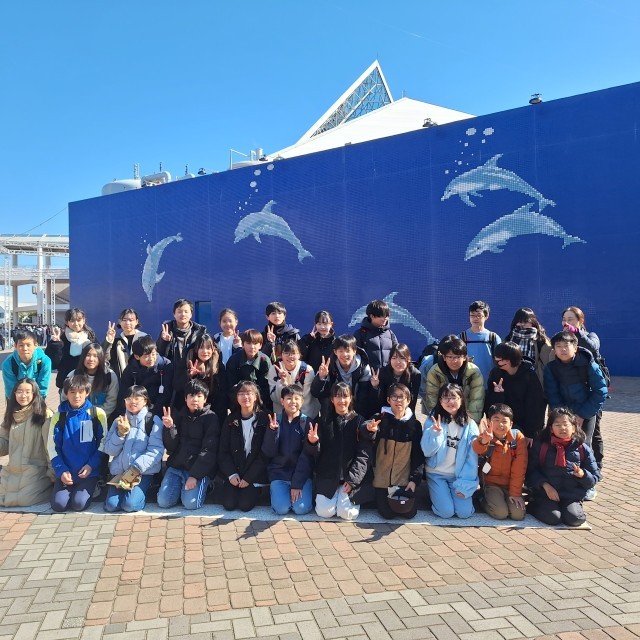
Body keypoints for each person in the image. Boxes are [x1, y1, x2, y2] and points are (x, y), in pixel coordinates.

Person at [304, 382, 374, 520]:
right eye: (338, 396)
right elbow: (315, 453)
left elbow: (364, 456)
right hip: (328, 476)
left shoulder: (359, 421)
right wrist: (313, 443)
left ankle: (342, 495)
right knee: (324, 513)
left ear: (350, 398)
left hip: (350, 478)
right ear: (332, 399)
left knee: (348, 514)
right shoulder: (324, 421)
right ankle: (335, 494)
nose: (342, 401)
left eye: (345, 396)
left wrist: (353, 480)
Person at [527, 407, 600, 526]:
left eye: (566, 424)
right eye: (557, 425)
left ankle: (568, 509)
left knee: (575, 519)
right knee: (553, 518)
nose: (562, 428)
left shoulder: (582, 448)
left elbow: (594, 477)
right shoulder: (541, 446)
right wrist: (545, 485)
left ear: (574, 427)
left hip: (571, 495)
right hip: (546, 494)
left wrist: (583, 475)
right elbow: (531, 471)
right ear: (551, 428)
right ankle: (533, 505)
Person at [47, 374, 108, 512]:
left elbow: (103, 443)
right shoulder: (59, 416)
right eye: (72, 392)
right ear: (66, 394)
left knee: (78, 504)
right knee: (58, 505)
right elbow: (52, 446)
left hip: (89, 471)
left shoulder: (97, 414)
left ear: (87, 392)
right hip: (66, 471)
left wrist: (91, 466)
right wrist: (61, 470)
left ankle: (94, 486)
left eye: (81, 392)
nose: (77, 396)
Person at [157, 378, 220, 510]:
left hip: (198, 469)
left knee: (191, 504)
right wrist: (169, 428)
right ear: (185, 398)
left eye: (199, 396)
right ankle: (182, 487)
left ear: (205, 399)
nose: (194, 399)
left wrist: (195, 476)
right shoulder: (179, 415)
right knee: (163, 502)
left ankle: (206, 484)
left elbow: (209, 451)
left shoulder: (211, 418)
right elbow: (171, 446)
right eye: (191, 395)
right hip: (177, 467)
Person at [421, 383, 479, 519]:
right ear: (440, 401)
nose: (450, 401)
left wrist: (465, 485)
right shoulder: (433, 420)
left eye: (454, 397)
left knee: (464, 513)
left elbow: (471, 459)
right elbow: (426, 451)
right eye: (445, 398)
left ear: (461, 400)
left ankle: (448, 495)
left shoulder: (470, 425)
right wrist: (435, 434)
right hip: (436, 473)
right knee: (446, 512)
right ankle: (437, 495)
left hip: (458, 476)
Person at [561, 305, 608, 472]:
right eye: (564, 319)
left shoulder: (591, 335)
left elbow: (592, 347)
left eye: (570, 319)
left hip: (590, 392)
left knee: (593, 432)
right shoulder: (562, 339)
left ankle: (597, 466)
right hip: (571, 392)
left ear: (580, 321)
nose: (566, 323)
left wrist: (577, 332)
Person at [102, 385, 163, 513]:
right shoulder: (118, 421)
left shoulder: (153, 420)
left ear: (145, 401)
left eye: (137, 398)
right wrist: (120, 434)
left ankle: (147, 489)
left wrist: (136, 468)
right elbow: (109, 450)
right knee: (111, 506)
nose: (132, 402)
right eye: (128, 399)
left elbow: (156, 451)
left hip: (142, 472)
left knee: (130, 505)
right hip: (120, 473)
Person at [367, 383, 424, 520]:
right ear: (388, 400)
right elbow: (366, 433)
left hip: (403, 479)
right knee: (387, 514)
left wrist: (414, 480)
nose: (398, 400)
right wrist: (369, 431)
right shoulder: (379, 419)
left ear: (408, 400)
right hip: (381, 479)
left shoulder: (414, 425)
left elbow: (418, 455)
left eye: (402, 397)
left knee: (408, 512)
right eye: (394, 397)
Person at [544, 331, 607, 451]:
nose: (563, 349)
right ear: (554, 350)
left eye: (566, 345)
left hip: (586, 411)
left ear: (575, 348)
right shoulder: (551, 368)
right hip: (564, 414)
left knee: (583, 446)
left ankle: (590, 464)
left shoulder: (588, 364)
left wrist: (582, 415)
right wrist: (565, 417)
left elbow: (600, 391)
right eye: (558, 346)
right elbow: (552, 394)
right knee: (560, 444)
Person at [261, 384, 314, 516]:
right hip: (279, 474)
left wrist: (297, 483)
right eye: (289, 398)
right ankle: (281, 496)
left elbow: (308, 456)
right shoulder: (275, 422)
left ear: (302, 401)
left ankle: (298, 496)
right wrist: (272, 432)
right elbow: (269, 452)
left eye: (296, 398)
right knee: (281, 509)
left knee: (300, 509)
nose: (293, 402)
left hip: (301, 475)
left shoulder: (307, 423)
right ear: (282, 401)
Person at [0, 379, 53, 507]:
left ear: (35, 394)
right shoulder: (11, 415)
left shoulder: (44, 414)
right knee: (4, 499)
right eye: (19, 392)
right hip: (13, 468)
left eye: (28, 392)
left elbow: (50, 447)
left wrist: (52, 473)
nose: (23, 395)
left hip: (36, 469)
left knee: (24, 500)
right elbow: (4, 443)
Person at [218, 381, 270, 512]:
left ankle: (257, 489)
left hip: (254, 473)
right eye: (241, 394)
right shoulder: (231, 419)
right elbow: (223, 451)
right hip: (235, 470)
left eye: (249, 393)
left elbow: (266, 453)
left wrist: (249, 477)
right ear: (236, 397)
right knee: (229, 504)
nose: (245, 397)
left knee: (245, 505)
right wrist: (231, 474)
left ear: (256, 397)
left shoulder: (265, 418)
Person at [473, 404, 527, 521]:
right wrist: (484, 442)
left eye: (504, 421)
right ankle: (481, 499)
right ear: (489, 422)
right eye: (496, 420)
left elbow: (520, 467)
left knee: (518, 514)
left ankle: (503, 500)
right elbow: (477, 449)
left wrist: (516, 493)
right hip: (491, 484)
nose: (500, 424)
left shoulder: (517, 437)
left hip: (510, 485)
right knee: (501, 513)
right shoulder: (486, 435)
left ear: (511, 424)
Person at [484, 342, 546, 441]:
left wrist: (530, 434)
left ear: (510, 359)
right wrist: (498, 394)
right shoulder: (495, 374)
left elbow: (536, 406)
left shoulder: (529, 375)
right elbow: (491, 406)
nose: (497, 361)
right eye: (496, 358)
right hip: (502, 426)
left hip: (524, 427)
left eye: (501, 359)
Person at [157, 299, 207, 409]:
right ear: (174, 314)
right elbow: (159, 355)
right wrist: (164, 341)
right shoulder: (167, 330)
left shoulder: (199, 331)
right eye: (179, 311)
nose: (182, 314)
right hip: (171, 378)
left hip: (192, 376)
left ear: (191, 314)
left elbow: (206, 352)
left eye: (186, 311)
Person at [311, 334, 373, 419]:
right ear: (335, 352)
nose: (344, 354)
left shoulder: (363, 367)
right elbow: (315, 393)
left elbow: (363, 395)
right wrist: (321, 377)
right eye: (340, 351)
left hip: (357, 406)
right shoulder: (329, 366)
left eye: (348, 351)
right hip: (334, 408)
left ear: (354, 351)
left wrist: (356, 418)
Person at [424, 336, 485, 423]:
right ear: (444, 357)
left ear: (464, 357)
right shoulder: (435, 372)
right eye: (450, 357)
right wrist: (438, 421)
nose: (454, 361)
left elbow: (477, 399)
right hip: (443, 416)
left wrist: (471, 423)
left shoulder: (474, 372)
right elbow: (432, 398)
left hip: (467, 415)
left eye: (458, 357)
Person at [118, 335, 174, 416]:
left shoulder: (165, 365)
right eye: (146, 356)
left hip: (160, 411)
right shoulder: (131, 369)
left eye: (153, 354)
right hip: (136, 410)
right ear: (137, 356)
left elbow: (166, 394)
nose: (151, 358)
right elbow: (124, 394)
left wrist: (153, 413)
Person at [63, 343, 119, 420]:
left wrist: (96, 418)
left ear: (101, 358)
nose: (91, 359)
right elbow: (65, 398)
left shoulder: (110, 376)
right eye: (88, 355)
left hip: (101, 420)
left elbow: (111, 401)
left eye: (95, 356)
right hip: (77, 419)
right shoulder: (73, 375)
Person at [45, 308, 97, 391]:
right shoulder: (60, 339)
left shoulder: (91, 337)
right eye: (72, 320)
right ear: (67, 322)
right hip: (67, 384)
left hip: (88, 384)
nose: (76, 323)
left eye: (79, 320)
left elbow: (99, 358)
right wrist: (56, 345)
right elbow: (54, 364)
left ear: (84, 321)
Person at [268, 340, 319, 419]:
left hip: (305, 412)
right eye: (286, 353)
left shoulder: (307, 370)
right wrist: (282, 383)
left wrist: (301, 419)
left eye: (293, 353)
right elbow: (275, 399)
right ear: (281, 355)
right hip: (281, 414)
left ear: (299, 355)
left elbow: (307, 399)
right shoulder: (274, 369)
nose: (290, 356)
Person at [504, 307, 552, 387]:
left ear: (533, 322)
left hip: (534, 382)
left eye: (526, 322)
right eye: (519, 322)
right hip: (512, 381)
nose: (522, 324)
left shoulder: (541, 340)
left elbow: (548, 364)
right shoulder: (509, 339)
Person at [226, 329, 272, 411]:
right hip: (238, 403)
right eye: (248, 343)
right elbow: (230, 386)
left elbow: (265, 388)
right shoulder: (234, 360)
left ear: (260, 345)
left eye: (255, 343)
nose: (252, 347)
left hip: (259, 403)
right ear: (242, 344)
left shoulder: (264, 361)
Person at [185, 333, 227, 421]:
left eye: (208, 348)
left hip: (214, 412)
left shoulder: (219, 366)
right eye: (201, 347)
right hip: (192, 413)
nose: (205, 351)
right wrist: (190, 376)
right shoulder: (188, 361)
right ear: (196, 349)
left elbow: (222, 394)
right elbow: (178, 386)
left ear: (213, 349)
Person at [371, 343, 421, 415]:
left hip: (405, 411)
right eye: (394, 358)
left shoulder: (415, 374)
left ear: (408, 359)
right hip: (386, 411)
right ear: (390, 359)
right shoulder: (382, 373)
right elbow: (378, 401)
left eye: (402, 358)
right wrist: (375, 386)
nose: (398, 362)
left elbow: (412, 401)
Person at [2, 328, 52, 398]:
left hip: (36, 398)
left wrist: (37, 401)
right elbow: (10, 389)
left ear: (35, 345)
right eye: (21, 345)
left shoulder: (44, 362)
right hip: (15, 398)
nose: (25, 349)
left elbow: (43, 387)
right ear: (15, 346)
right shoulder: (8, 363)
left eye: (28, 345)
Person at [459, 300, 501, 383]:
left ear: (486, 316)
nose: (475, 318)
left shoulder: (493, 337)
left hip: (489, 383)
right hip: (467, 384)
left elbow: (501, 361)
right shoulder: (462, 337)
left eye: (479, 315)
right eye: (472, 315)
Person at [102, 308, 147, 379]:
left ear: (136, 321)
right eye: (124, 320)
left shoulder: (145, 338)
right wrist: (109, 340)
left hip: (143, 379)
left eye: (131, 320)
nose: (127, 323)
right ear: (120, 322)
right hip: (123, 380)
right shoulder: (116, 341)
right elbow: (104, 357)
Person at [353, 299, 398, 369]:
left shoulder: (390, 333)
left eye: (387, 316)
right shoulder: (360, 334)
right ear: (372, 316)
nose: (385, 318)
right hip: (368, 374)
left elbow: (397, 353)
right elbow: (355, 357)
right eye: (382, 316)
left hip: (387, 375)